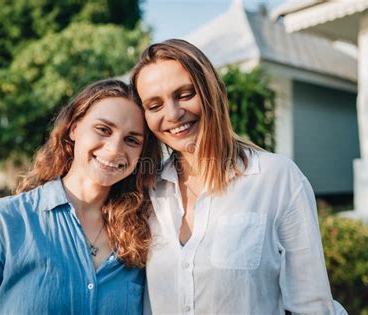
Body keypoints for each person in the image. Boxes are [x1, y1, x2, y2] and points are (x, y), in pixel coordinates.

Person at [131, 39, 347, 314]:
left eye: (185, 94)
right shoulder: (146, 190)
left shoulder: (276, 179)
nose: (173, 114)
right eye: (154, 105)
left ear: (212, 92)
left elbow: (312, 306)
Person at [0, 79, 161, 314]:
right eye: (103, 129)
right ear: (74, 128)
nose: (114, 149)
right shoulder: (2, 222)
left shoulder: (144, 234)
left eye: (131, 140)